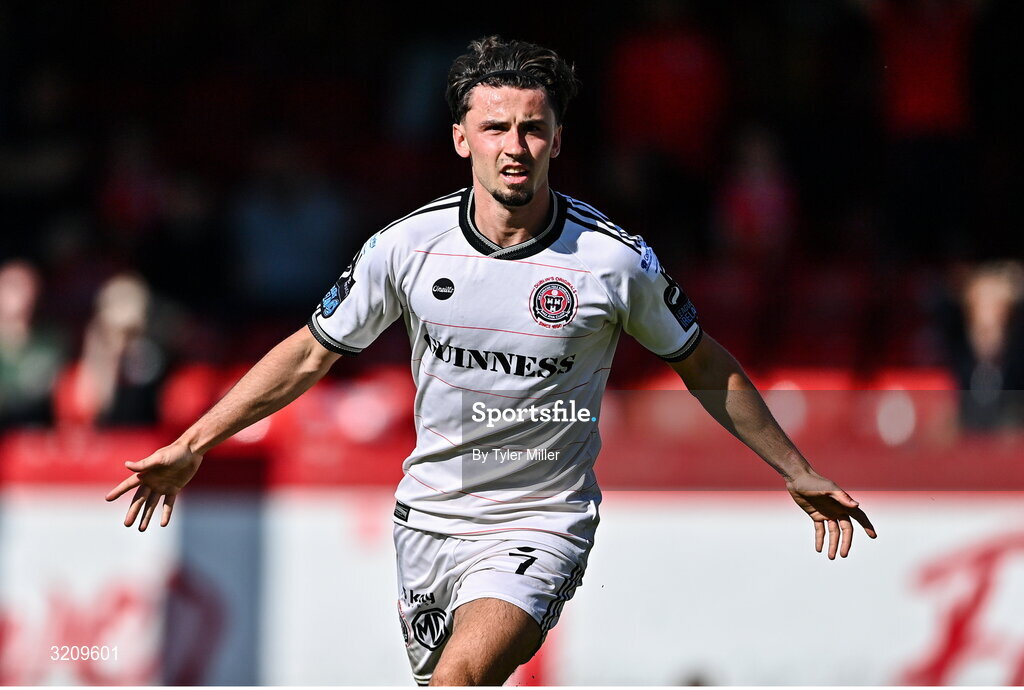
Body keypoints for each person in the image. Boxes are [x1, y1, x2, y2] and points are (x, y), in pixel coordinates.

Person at [106, 36, 877, 686]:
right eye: (497, 126)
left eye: (534, 129)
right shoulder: (406, 248)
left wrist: (795, 467)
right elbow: (311, 352)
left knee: (459, 681)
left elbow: (705, 366)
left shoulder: (612, 264)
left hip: (542, 521)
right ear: (460, 137)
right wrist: (194, 442)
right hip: (429, 519)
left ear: (559, 140)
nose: (516, 147)